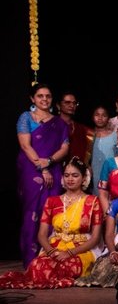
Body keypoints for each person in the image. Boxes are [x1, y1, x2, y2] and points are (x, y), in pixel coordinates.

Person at [1, 157, 102, 289]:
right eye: (67, 175)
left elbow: (95, 238)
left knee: (67, 266)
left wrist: (70, 253)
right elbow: (42, 235)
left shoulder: (93, 201)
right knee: (37, 266)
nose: (70, 179)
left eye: (75, 175)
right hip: (56, 246)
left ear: (84, 179)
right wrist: (51, 252)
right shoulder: (52, 201)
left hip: (82, 249)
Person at [16, 83, 70, 266]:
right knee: (32, 211)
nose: (44, 99)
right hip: (31, 169)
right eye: (40, 96)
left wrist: (50, 161)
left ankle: (49, 258)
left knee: (52, 210)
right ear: (32, 98)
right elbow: (25, 146)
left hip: (54, 168)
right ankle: (31, 260)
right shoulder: (26, 117)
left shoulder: (59, 122)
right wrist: (43, 167)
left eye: (48, 96)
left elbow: (65, 148)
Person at [89, 105, 117, 196]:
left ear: (108, 118)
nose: (100, 118)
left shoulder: (115, 136)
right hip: (92, 175)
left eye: (104, 115)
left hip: (111, 175)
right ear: (92, 117)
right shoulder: (88, 136)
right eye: (97, 115)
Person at [57, 91, 91, 164]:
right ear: (58, 105)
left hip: (77, 169)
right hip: (55, 167)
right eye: (67, 102)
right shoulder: (51, 126)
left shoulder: (81, 128)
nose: (72, 105)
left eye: (74, 103)